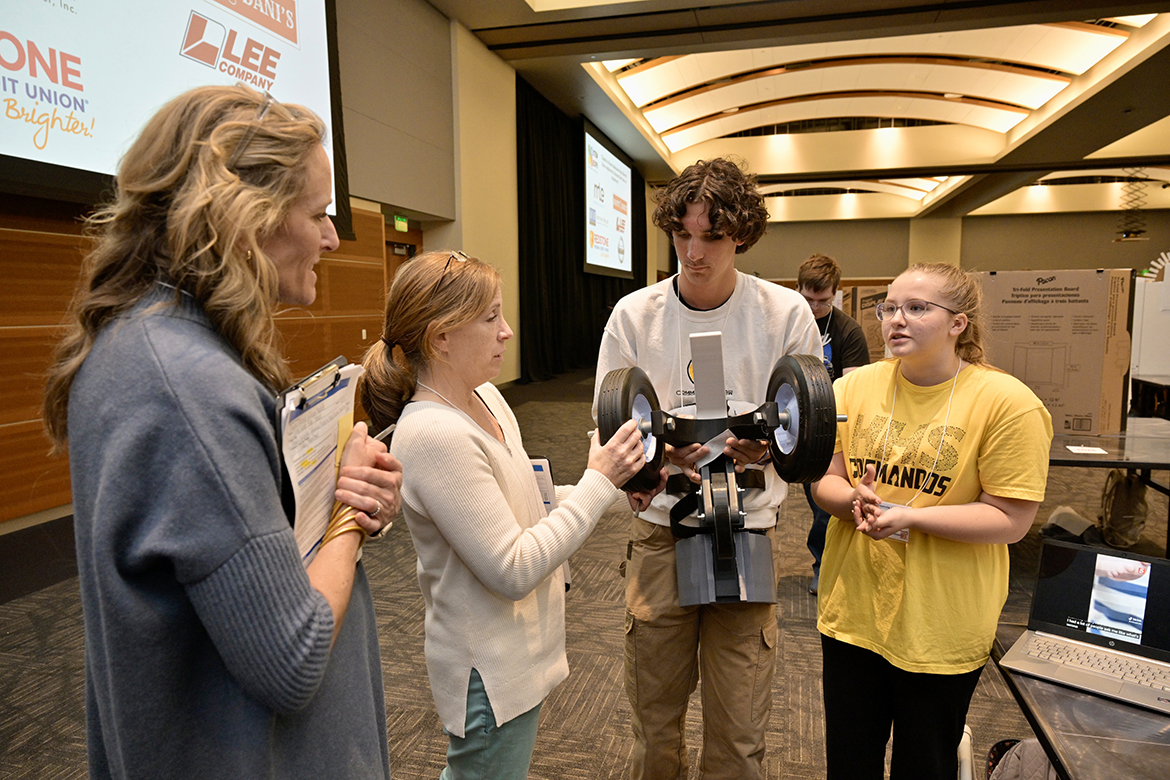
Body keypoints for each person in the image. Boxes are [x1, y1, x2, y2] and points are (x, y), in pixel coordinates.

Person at [41, 85, 403, 780]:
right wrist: (349, 519)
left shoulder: (147, 345)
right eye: (319, 215)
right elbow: (291, 660)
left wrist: (337, 491)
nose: (332, 237)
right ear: (245, 217)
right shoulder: (188, 386)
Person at [358, 250, 650, 780]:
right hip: (487, 670)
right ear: (440, 337)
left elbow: (525, 508)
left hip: (520, 651)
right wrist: (598, 481)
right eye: (490, 318)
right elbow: (512, 566)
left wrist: (611, 489)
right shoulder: (431, 433)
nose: (507, 332)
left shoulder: (486, 397)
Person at [593, 158, 821, 780]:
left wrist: (768, 448)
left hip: (746, 534)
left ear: (740, 234)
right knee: (655, 732)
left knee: (739, 738)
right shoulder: (635, 317)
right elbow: (607, 432)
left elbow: (809, 427)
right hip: (661, 537)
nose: (694, 253)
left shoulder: (784, 315)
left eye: (712, 237)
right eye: (682, 234)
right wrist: (651, 463)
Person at [811, 262, 1053, 779]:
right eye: (889, 307)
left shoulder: (1008, 404)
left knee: (926, 765)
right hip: (854, 612)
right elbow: (823, 481)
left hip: (942, 622)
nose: (895, 320)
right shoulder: (852, 390)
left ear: (958, 323)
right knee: (849, 764)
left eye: (917, 308)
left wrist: (912, 518)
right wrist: (853, 502)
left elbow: (1009, 519)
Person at [796, 253, 870, 594]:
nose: (813, 308)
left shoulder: (847, 331)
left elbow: (853, 388)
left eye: (822, 302)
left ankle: (823, 565)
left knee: (824, 505)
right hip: (787, 427)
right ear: (797, 289)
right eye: (807, 299)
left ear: (836, 294)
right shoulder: (788, 324)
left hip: (827, 432)